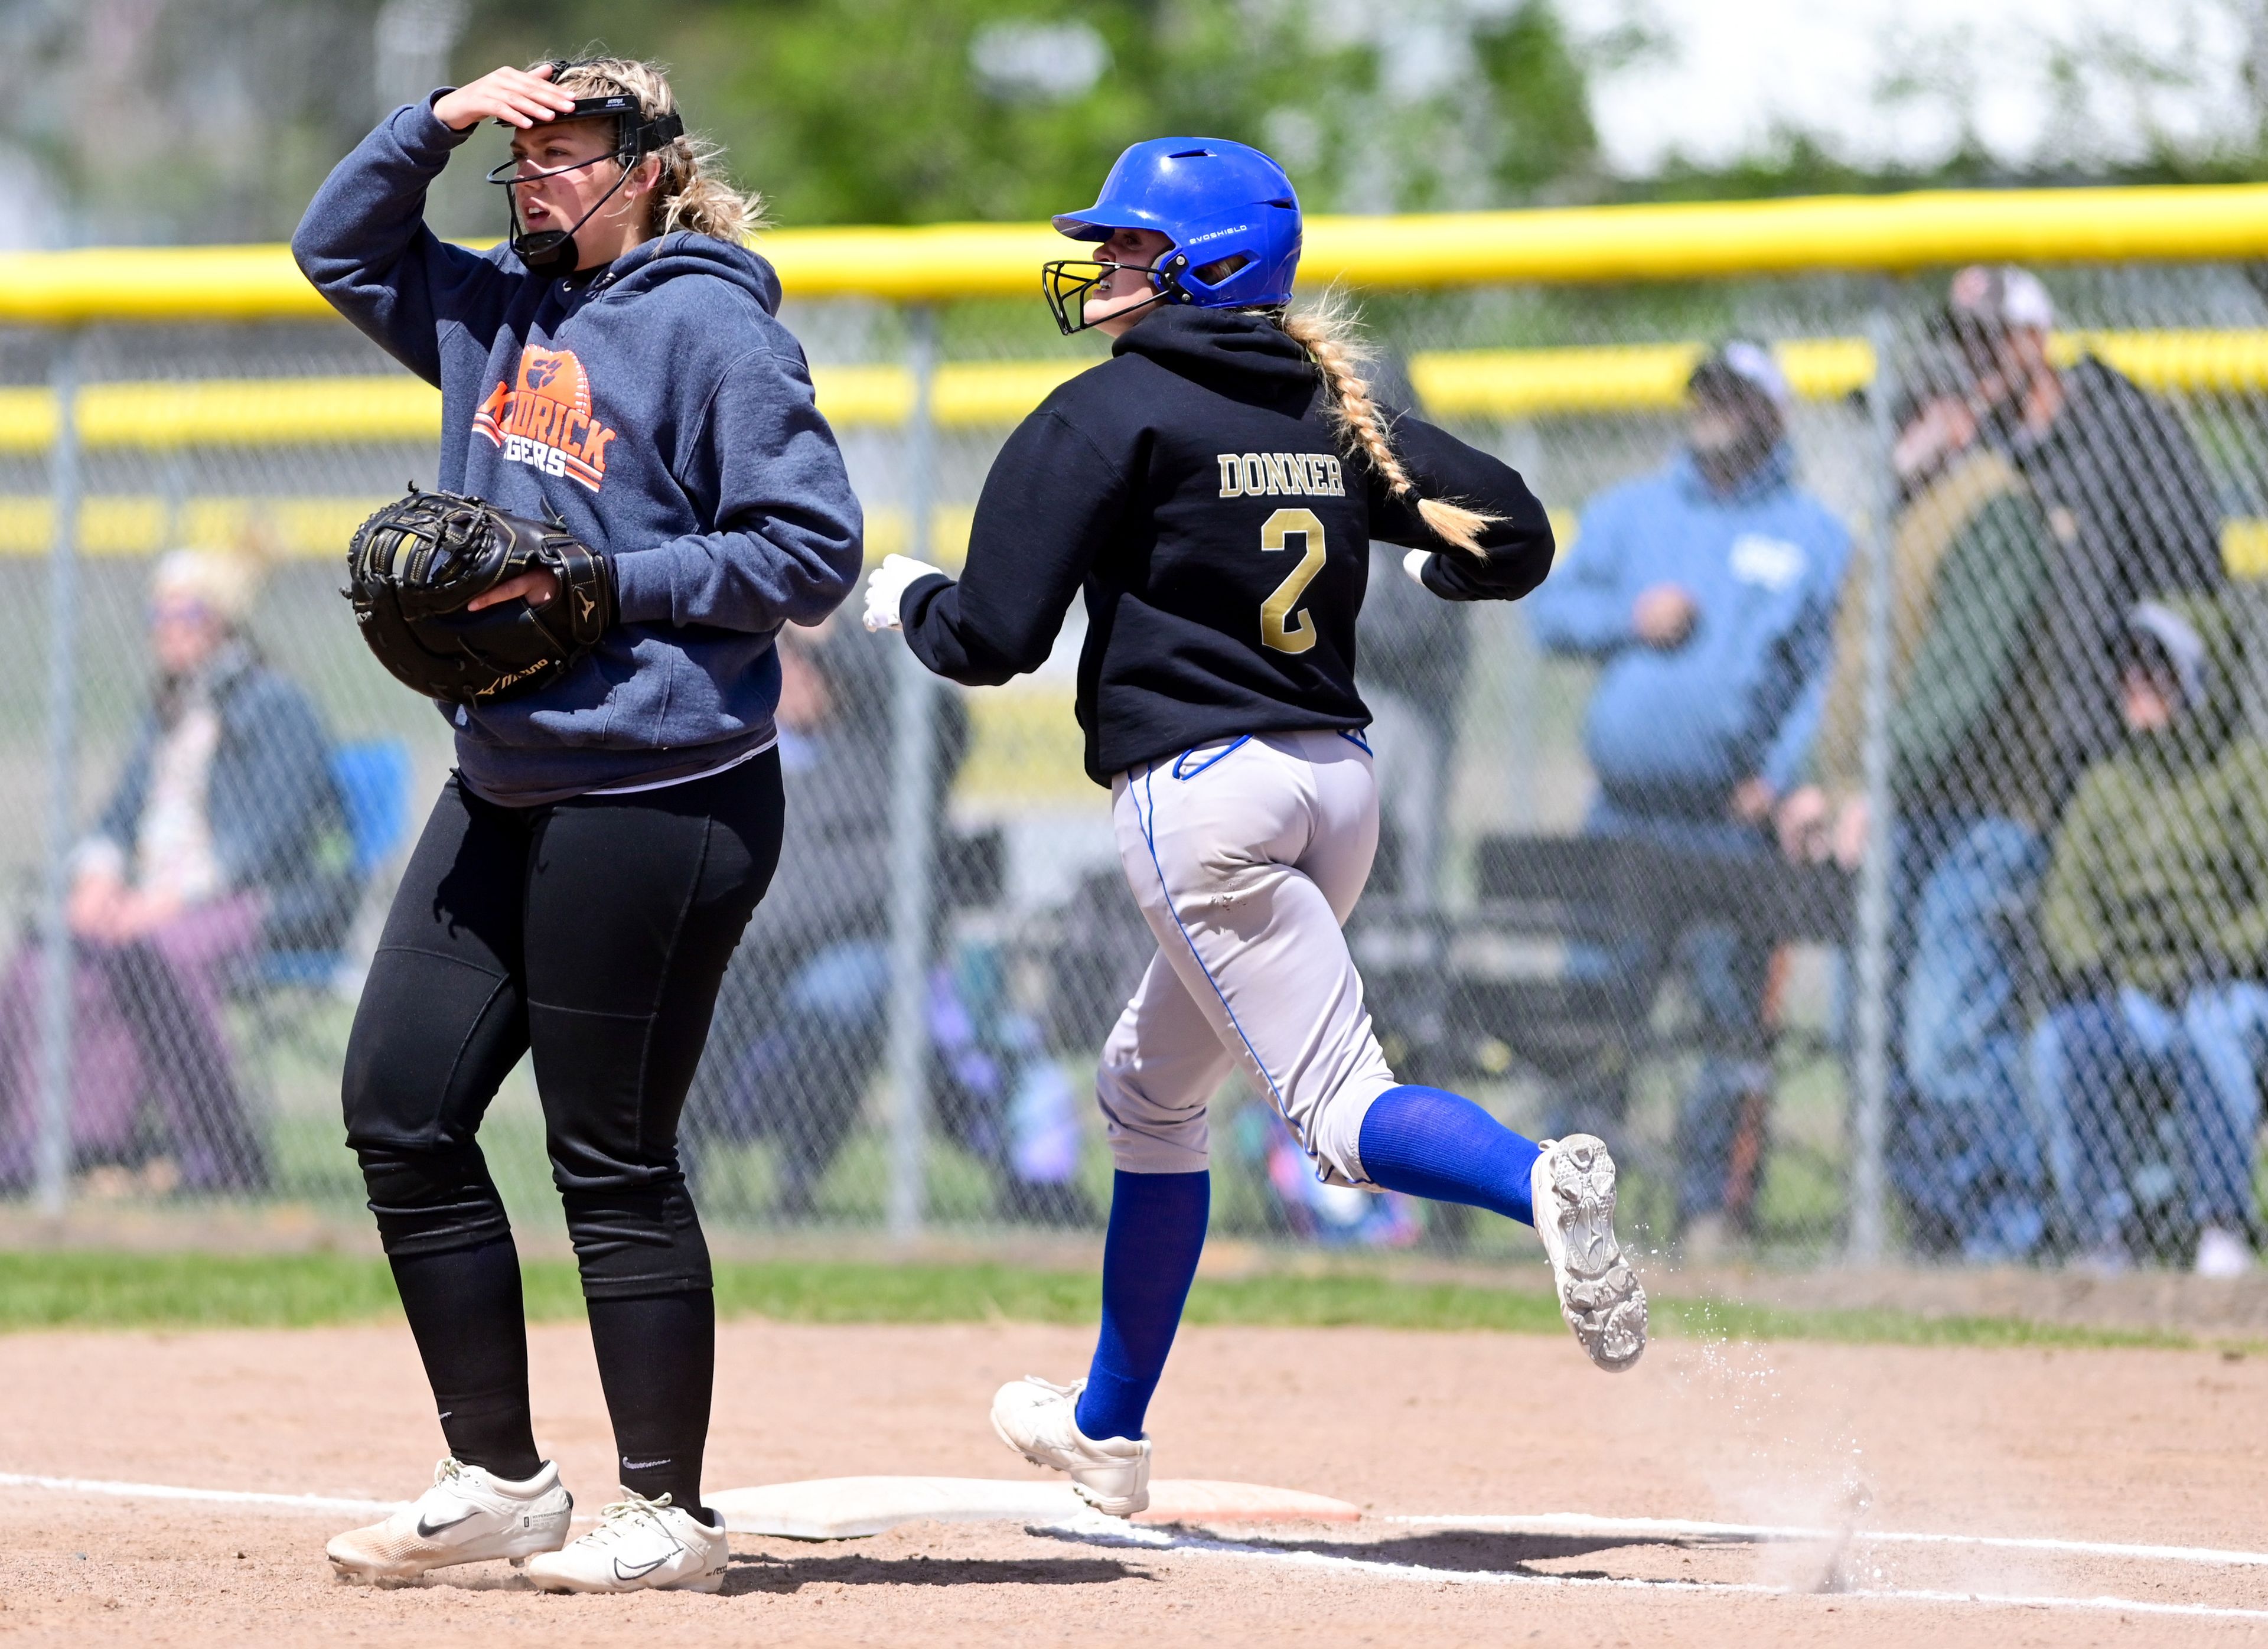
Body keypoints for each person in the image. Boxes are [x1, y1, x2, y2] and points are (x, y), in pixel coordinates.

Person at [862, 136, 1639, 1521]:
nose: (1102, 268)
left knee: (1333, 1107)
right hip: (1335, 787)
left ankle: (1535, 1181)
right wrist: (1409, 553)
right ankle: (1107, 1428)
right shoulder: (1336, 405)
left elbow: (990, 637)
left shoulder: (1109, 413)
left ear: (1205, 264)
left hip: (1203, 798)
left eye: (1129, 247)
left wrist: (906, 596)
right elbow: (1513, 537)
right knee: (1148, 1089)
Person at [293, 56, 862, 1592]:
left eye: (569, 149)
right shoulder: (491, 311)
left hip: (663, 789)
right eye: (522, 155)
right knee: (399, 1107)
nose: (536, 177)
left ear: (650, 166)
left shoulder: (710, 322)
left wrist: (622, 585)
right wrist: (438, 119)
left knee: (607, 1154)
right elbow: (334, 246)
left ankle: (667, 1513)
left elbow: (812, 549)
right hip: (507, 782)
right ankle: (498, 1475)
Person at [1523, 343, 1850, 1248]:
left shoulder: (1812, 534)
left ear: (1775, 413)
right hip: (1623, 817)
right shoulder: (1633, 513)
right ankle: (1577, 1212)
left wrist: (1783, 780)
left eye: (1739, 397)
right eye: (1708, 393)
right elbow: (1549, 617)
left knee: (1725, 1027)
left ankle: (1711, 1210)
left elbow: (1829, 677)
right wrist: (1630, 619)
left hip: (1728, 829)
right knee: (1598, 1014)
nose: (1717, 410)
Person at [0, 543, 348, 1196]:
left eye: (183, 612)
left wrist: (168, 899)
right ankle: (53, 1145)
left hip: (264, 903)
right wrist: (99, 874)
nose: (167, 627)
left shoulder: (276, 703)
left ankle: (219, 1154)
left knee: (163, 950)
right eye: (157, 613)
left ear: (222, 620)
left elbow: (271, 839)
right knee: (46, 953)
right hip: (159, 900)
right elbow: (119, 814)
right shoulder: (166, 706)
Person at [2030, 600, 2265, 1275]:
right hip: (2132, 992)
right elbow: (2067, 897)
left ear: (2196, 679)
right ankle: (2104, 1232)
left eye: (2157, 667)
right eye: (2129, 667)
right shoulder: (2106, 784)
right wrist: (2090, 963)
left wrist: (2227, 951)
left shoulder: (2244, 770)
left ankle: (2221, 1223)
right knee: (2064, 1039)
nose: (2136, 680)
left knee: (2211, 1027)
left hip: (2223, 985)